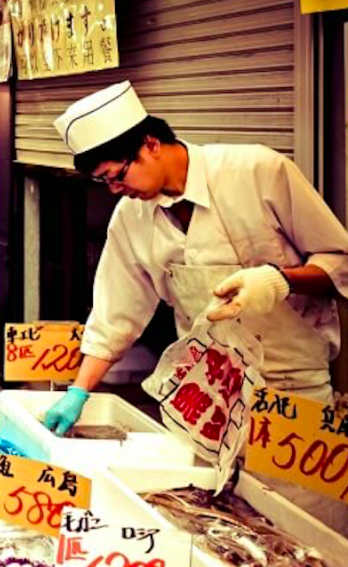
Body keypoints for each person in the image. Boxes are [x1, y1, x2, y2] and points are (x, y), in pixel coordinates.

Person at [44, 81, 348, 531]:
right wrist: (78, 391)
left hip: (292, 398)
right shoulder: (131, 217)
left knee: (306, 533)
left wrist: (278, 280)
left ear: (150, 144)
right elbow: (115, 314)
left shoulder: (258, 170)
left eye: (116, 175)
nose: (112, 190)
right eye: (103, 181)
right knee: (213, 527)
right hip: (208, 399)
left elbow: (340, 260)